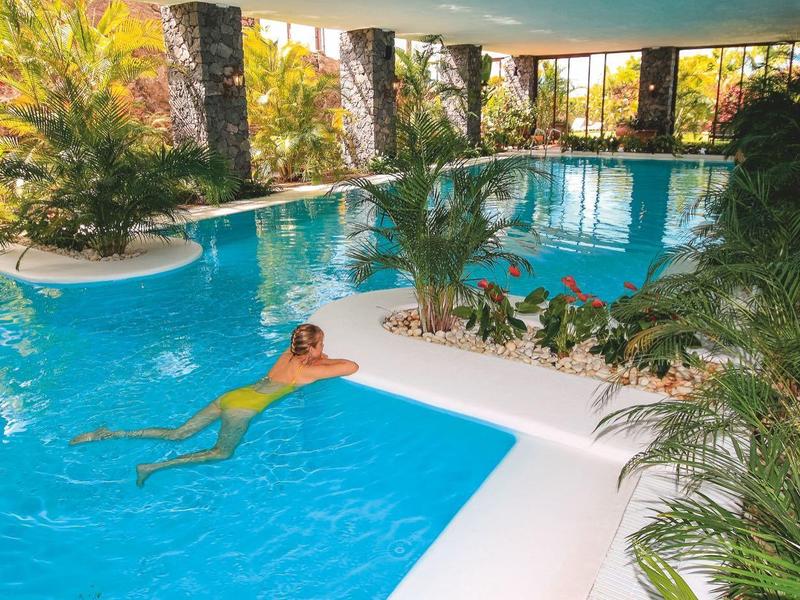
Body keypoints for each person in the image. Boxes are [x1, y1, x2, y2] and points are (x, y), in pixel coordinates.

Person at [70, 324, 358, 487]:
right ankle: (152, 467)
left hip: (232, 396)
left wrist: (315, 354)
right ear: (311, 348)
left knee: (178, 433)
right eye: (320, 343)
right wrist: (322, 359)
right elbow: (350, 366)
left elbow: (308, 353)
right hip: (243, 410)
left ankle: (111, 433)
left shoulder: (287, 355)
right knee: (221, 453)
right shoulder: (308, 370)